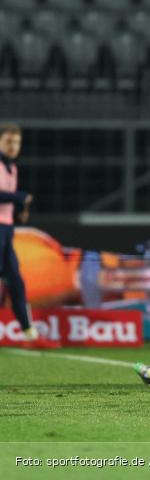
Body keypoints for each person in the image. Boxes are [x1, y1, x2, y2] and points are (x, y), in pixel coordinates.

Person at [0, 123, 58, 348]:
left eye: (16, 142)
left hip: (6, 230)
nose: (13, 146)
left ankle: (30, 335)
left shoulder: (12, 168)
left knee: (16, 282)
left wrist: (19, 209)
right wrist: (20, 198)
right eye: (8, 141)